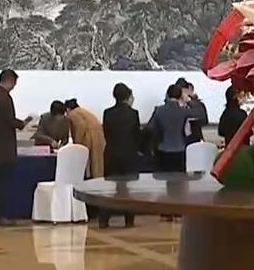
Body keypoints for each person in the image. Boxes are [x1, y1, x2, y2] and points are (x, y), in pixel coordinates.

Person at [0, 70, 32, 226]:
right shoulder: (4, 98)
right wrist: (23, 123)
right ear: (10, 81)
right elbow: (9, 120)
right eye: (14, 83)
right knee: (1, 185)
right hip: (2, 151)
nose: (14, 87)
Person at [101, 83, 141, 228]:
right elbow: (136, 135)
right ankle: (129, 220)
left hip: (111, 154)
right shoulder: (133, 113)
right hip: (129, 155)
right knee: (128, 189)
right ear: (128, 97)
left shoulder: (107, 113)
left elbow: (106, 133)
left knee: (109, 189)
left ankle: (104, 219)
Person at [150, 84, 205, 172]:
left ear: (167, 95)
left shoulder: (159, 110)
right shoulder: (182, 111)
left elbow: (151, 128)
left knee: (164, 176)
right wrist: (189, 101)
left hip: (163, 148)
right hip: (179, 149)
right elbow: (200, 113)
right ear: (180, 96)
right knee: (179, 177)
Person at [65, 99, 105, 178]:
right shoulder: (82, 111)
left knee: (90, 163)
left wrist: (77, 142)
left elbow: (81, 125)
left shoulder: (73, 113)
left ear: (67, 109)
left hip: (90, 135)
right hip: (99, 135)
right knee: (97, 163)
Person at [176, 78, 208, 145]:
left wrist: (189, 101)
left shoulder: (197, 104)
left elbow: (203, 119)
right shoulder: (174, 105)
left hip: (194, 137)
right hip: (178, 139)